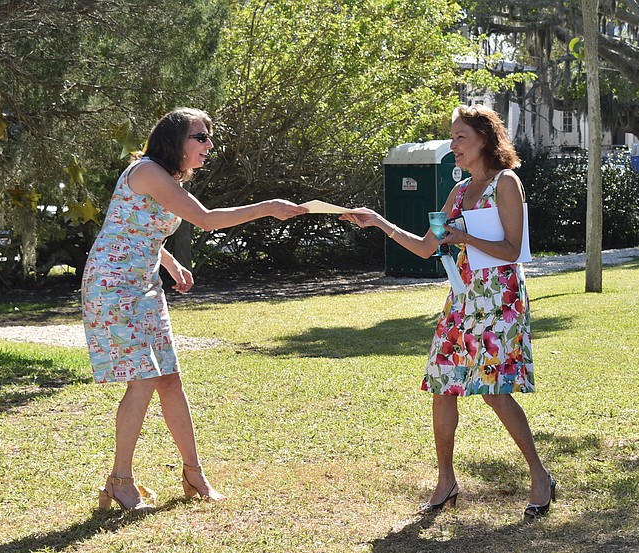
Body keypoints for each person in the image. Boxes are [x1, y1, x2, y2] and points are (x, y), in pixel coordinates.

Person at [82, 107, 307, 512]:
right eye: (199, 137)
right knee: (144, 380)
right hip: (114, 286)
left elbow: (137, 226)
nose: (209, 145)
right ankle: (119, 482)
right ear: (175, 141)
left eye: (208, 137)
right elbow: (205, 221)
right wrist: (267, 206)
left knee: (169, 380)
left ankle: (193, 474)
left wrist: (168, 262)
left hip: (144, 284)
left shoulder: (165, 179)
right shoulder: (148, 171)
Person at [341, 105, 555, 521]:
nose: (453, 145)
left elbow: (513, 250)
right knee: (442, 385)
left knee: (494, 390)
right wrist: (379, 222)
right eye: (452, 138)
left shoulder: (506, 183)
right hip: (462, 297)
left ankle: (540, 475)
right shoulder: (458, 193)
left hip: (499, 297)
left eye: (461, 138)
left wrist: (464, 235)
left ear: (484, 140)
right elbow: (426, 247)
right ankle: (446, 481)